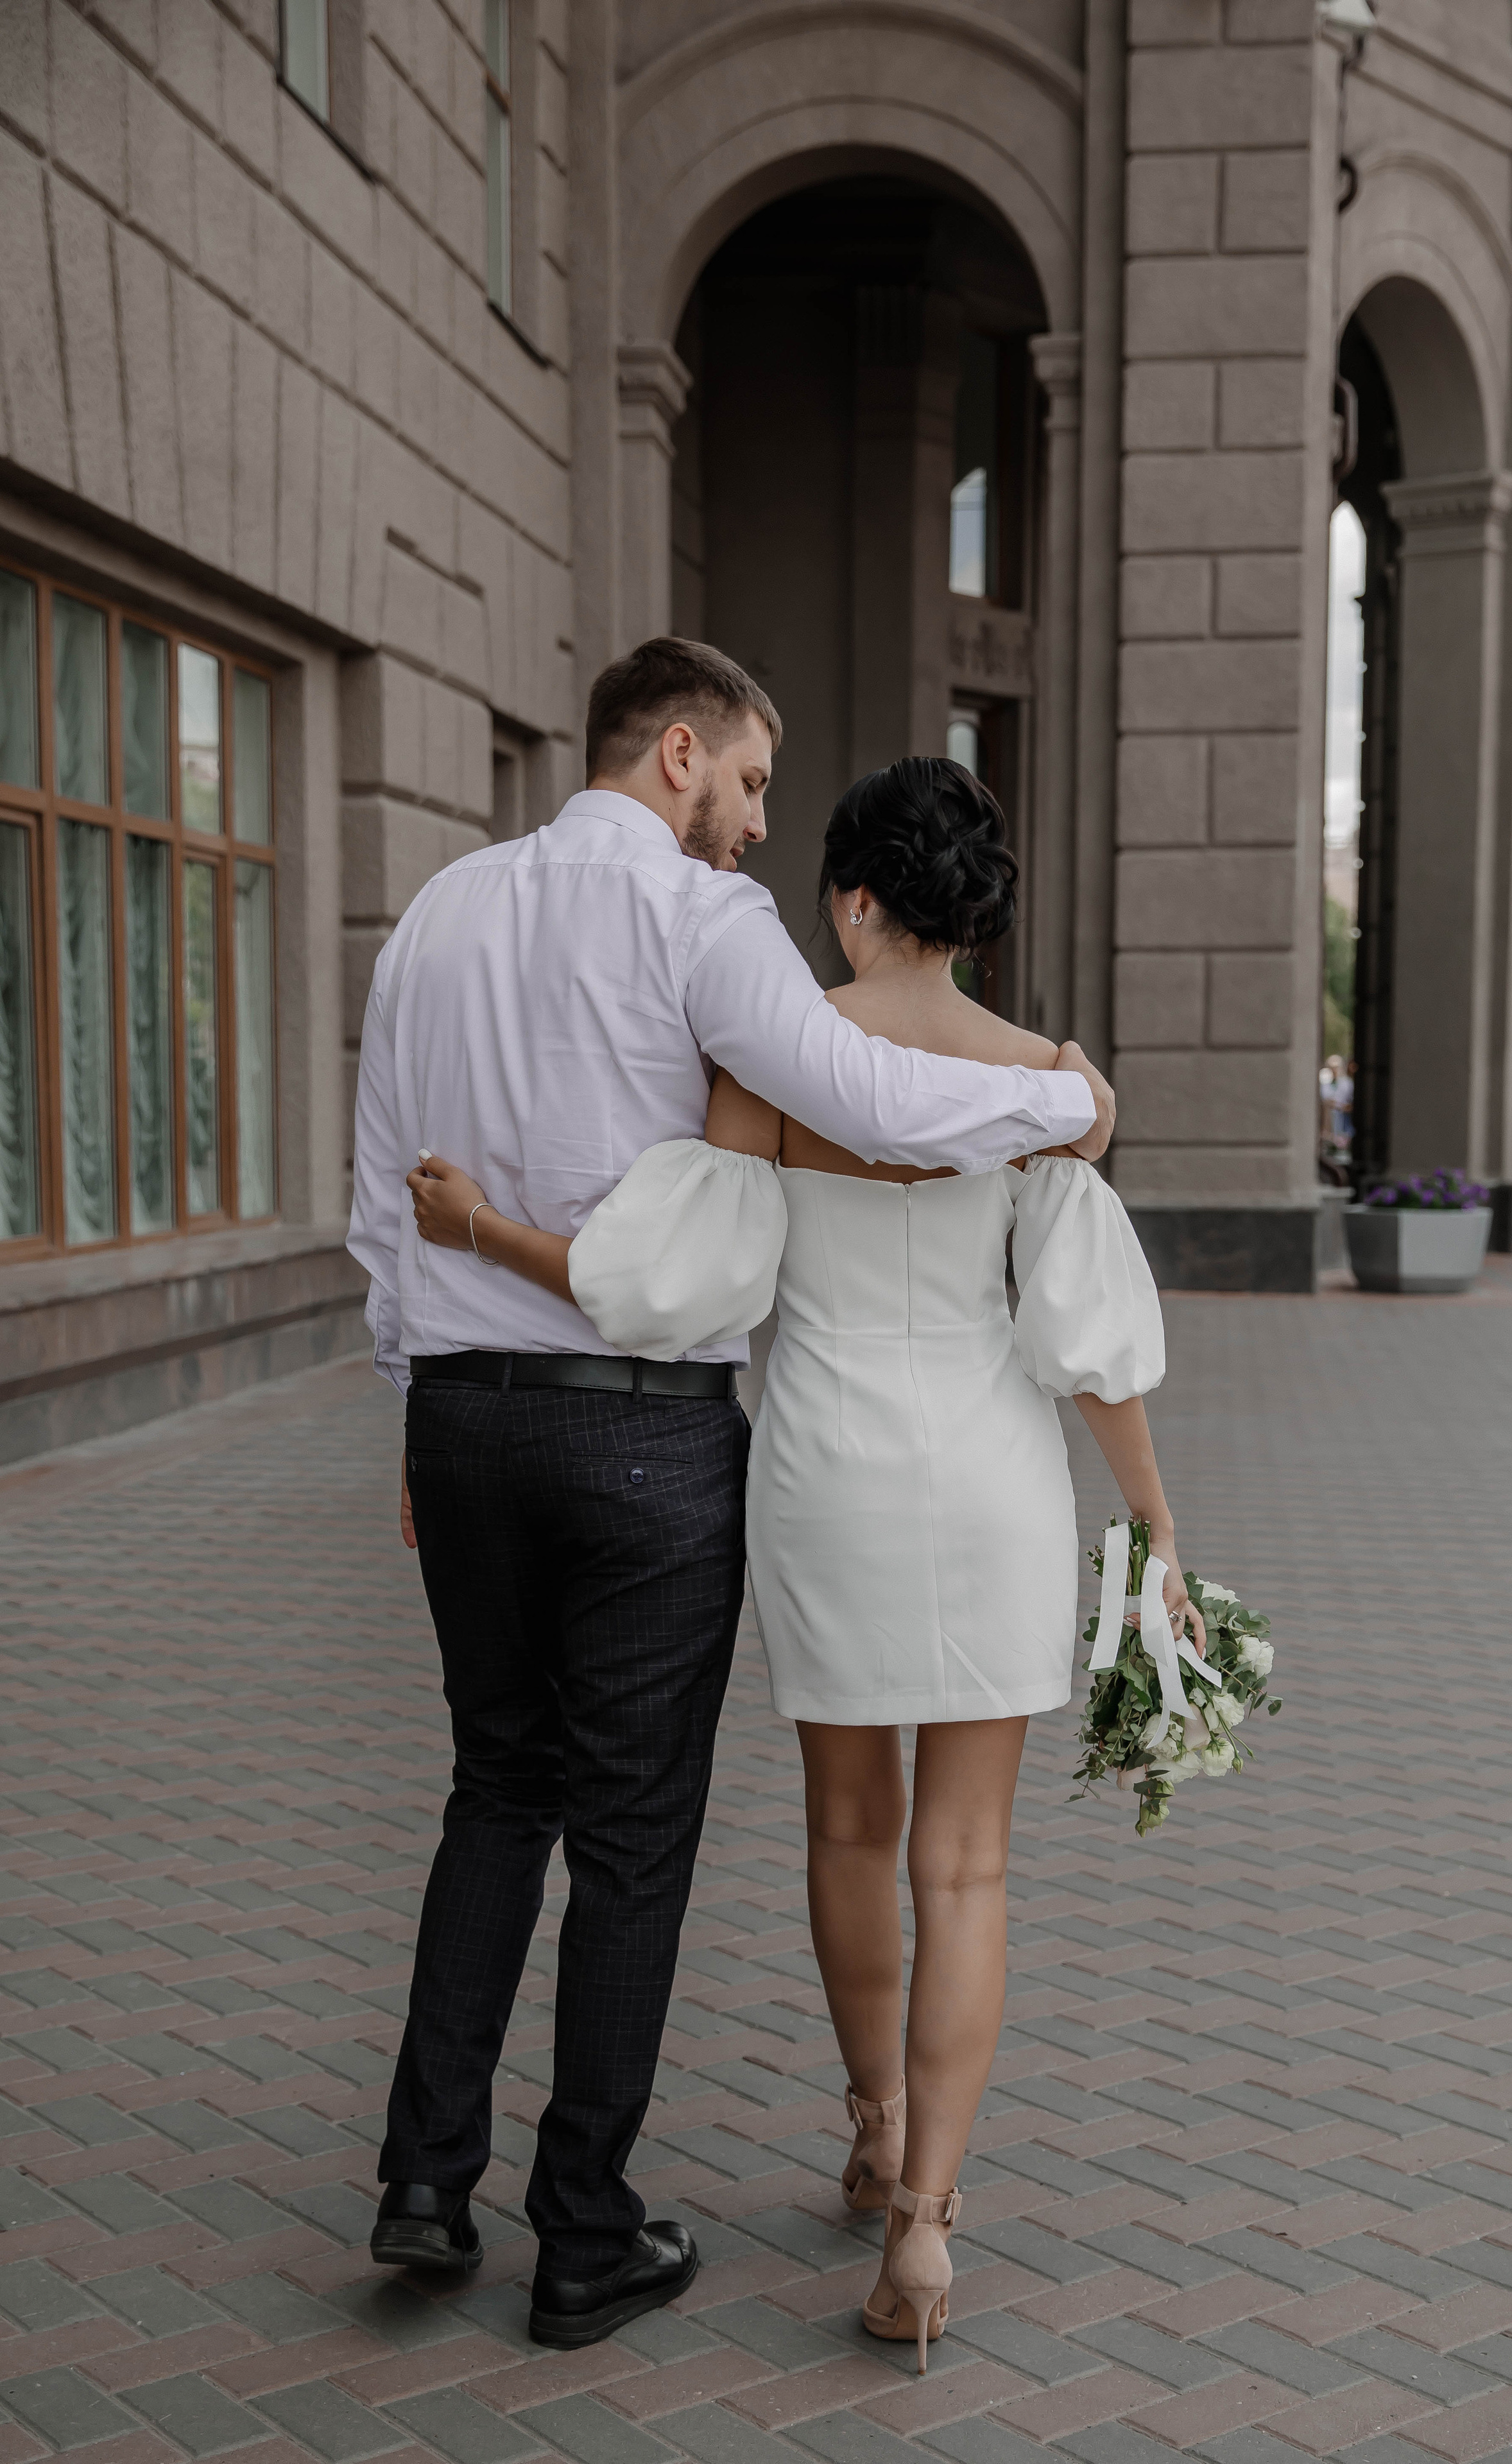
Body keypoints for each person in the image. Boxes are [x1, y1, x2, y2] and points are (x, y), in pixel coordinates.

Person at [347, 642, 1115, 2348]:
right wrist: (1068, 1095)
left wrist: (412, 1410)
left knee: (495, 1792)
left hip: (462, 1423)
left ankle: (424, 2180)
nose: (758, 822)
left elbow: (382, 1196)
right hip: (641, 1433)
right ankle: (582, 2234)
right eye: (752, 781)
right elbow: (867, 1093)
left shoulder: (437, 915)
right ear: (681, 752)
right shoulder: (702, 921)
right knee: (629, 1835)